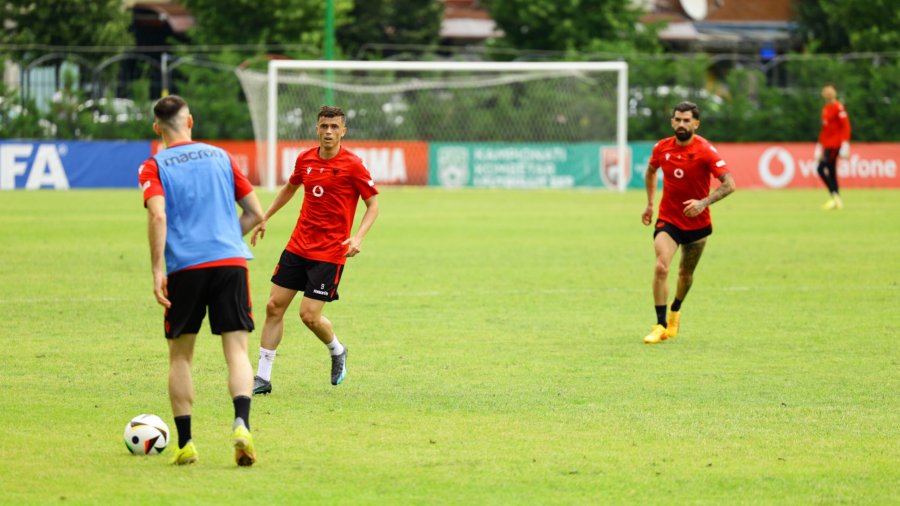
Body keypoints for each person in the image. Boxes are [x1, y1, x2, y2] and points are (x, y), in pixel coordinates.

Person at [139, 95, 265, 466]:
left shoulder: (153, 165)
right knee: (237, 351)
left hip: (185, 269)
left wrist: (157, 270)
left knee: (181, 357)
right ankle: (241, 424)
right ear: (189, 121)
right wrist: (227, 237)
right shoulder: (221, 156)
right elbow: (255, 212)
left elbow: (158, 217)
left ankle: (186, 443)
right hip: (230, 261)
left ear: (157, 128)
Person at [250, 105, 379, 395]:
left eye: (335, 127)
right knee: (273, 307)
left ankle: (337, 350)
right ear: (317, 128)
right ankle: (263, 378)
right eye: (324, 126)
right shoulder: (305, 159)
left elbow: (373, 205)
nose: (329, 132)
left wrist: (357, 237)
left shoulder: (353, 165)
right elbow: (290, 188)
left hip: (330, 252)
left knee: (308, 315)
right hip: (298, 245)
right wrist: (265, 216)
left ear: (343, 131)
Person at [641, 101, 736, 344]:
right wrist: (651, 203)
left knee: (685, 274)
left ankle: (675, 311)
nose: (682, 124)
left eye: (687, 120)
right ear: (672, 121)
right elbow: (651, 172)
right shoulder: (662, 148)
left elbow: (729, 184)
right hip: (669, 219)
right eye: (678, 119)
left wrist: (703, 202)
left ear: (696, 123)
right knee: (661, 267)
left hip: (697, 223)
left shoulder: (705, 150)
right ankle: (660, 325)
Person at [815, 83, 851, 210]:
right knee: (831, 171)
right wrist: (819, 145)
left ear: (835, 93)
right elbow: (824, 129)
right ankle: (836, 199)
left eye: (830, 91)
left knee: (821, 168)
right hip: (827, 145)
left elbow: (845, 126)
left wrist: (845, 143)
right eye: (826, 91)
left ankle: (835, 196)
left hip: (835, 145)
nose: (828, 93)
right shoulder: (825, 108)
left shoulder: (838, 107)